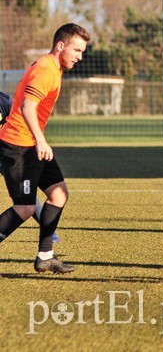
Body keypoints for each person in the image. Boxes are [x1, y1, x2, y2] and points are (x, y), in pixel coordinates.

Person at [0, 23, 90, 274]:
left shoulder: (53, 67)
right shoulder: (45, 70)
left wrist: (38, 141)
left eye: (82, 51)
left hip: (32, 144)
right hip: (18, 145)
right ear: (61, 46)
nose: (80, 56)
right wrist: (40, 139)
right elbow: (28, 106)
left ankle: (45, 256)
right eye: (77, 50)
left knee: (59, 194)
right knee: (26, 208)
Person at [0, 91, 60, 244]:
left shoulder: (3, 100)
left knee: (25, 191)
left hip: (4, 150)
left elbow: (16, 118)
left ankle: (48, 231)